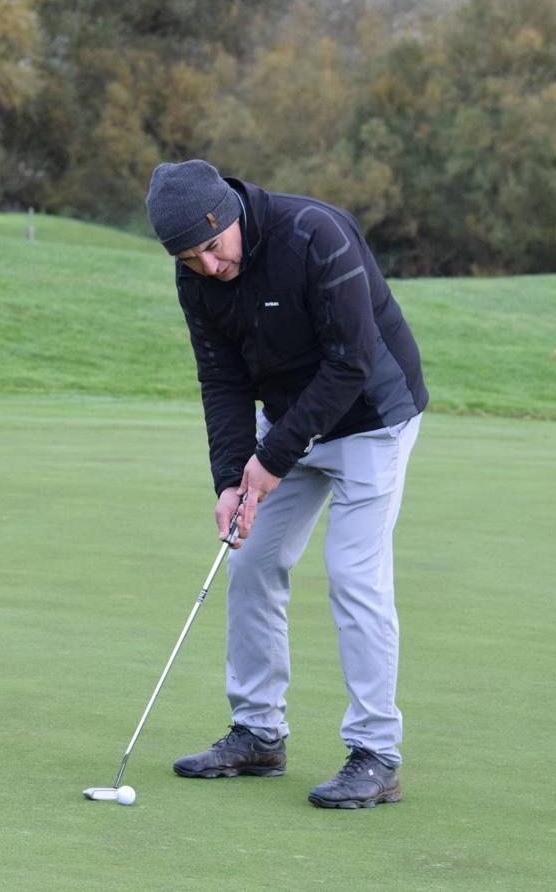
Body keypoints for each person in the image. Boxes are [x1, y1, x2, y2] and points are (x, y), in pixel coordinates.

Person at [144, 159, 428, 809]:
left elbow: (352, 361)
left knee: (354, 574)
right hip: (290, 424)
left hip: (373, 419)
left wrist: (269, 460)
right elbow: (221, 380)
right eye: (191, 259)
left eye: (213, 248)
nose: (209, 268)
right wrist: (229, 479)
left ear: (231, 216)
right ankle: (258, 733)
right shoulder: (199, 281)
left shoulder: (315, 234)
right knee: (251, 561)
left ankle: (376, 752)